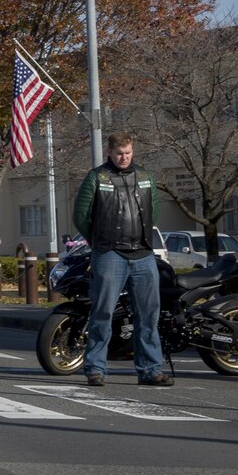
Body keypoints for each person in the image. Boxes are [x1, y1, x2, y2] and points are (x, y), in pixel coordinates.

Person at [72, 131, 170, 387]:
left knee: (148, 314)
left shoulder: (146, 176)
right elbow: (81, 215)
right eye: (119, 153)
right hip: (109, 254)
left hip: (143, 254)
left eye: (127, 153)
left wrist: (142, 236)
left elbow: (153, 211)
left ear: (132, 151)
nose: (124, 158)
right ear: (110, 152)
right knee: (103, 313)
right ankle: (96, 369)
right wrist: (97, 241)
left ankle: (150, 370)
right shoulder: (97, 177)